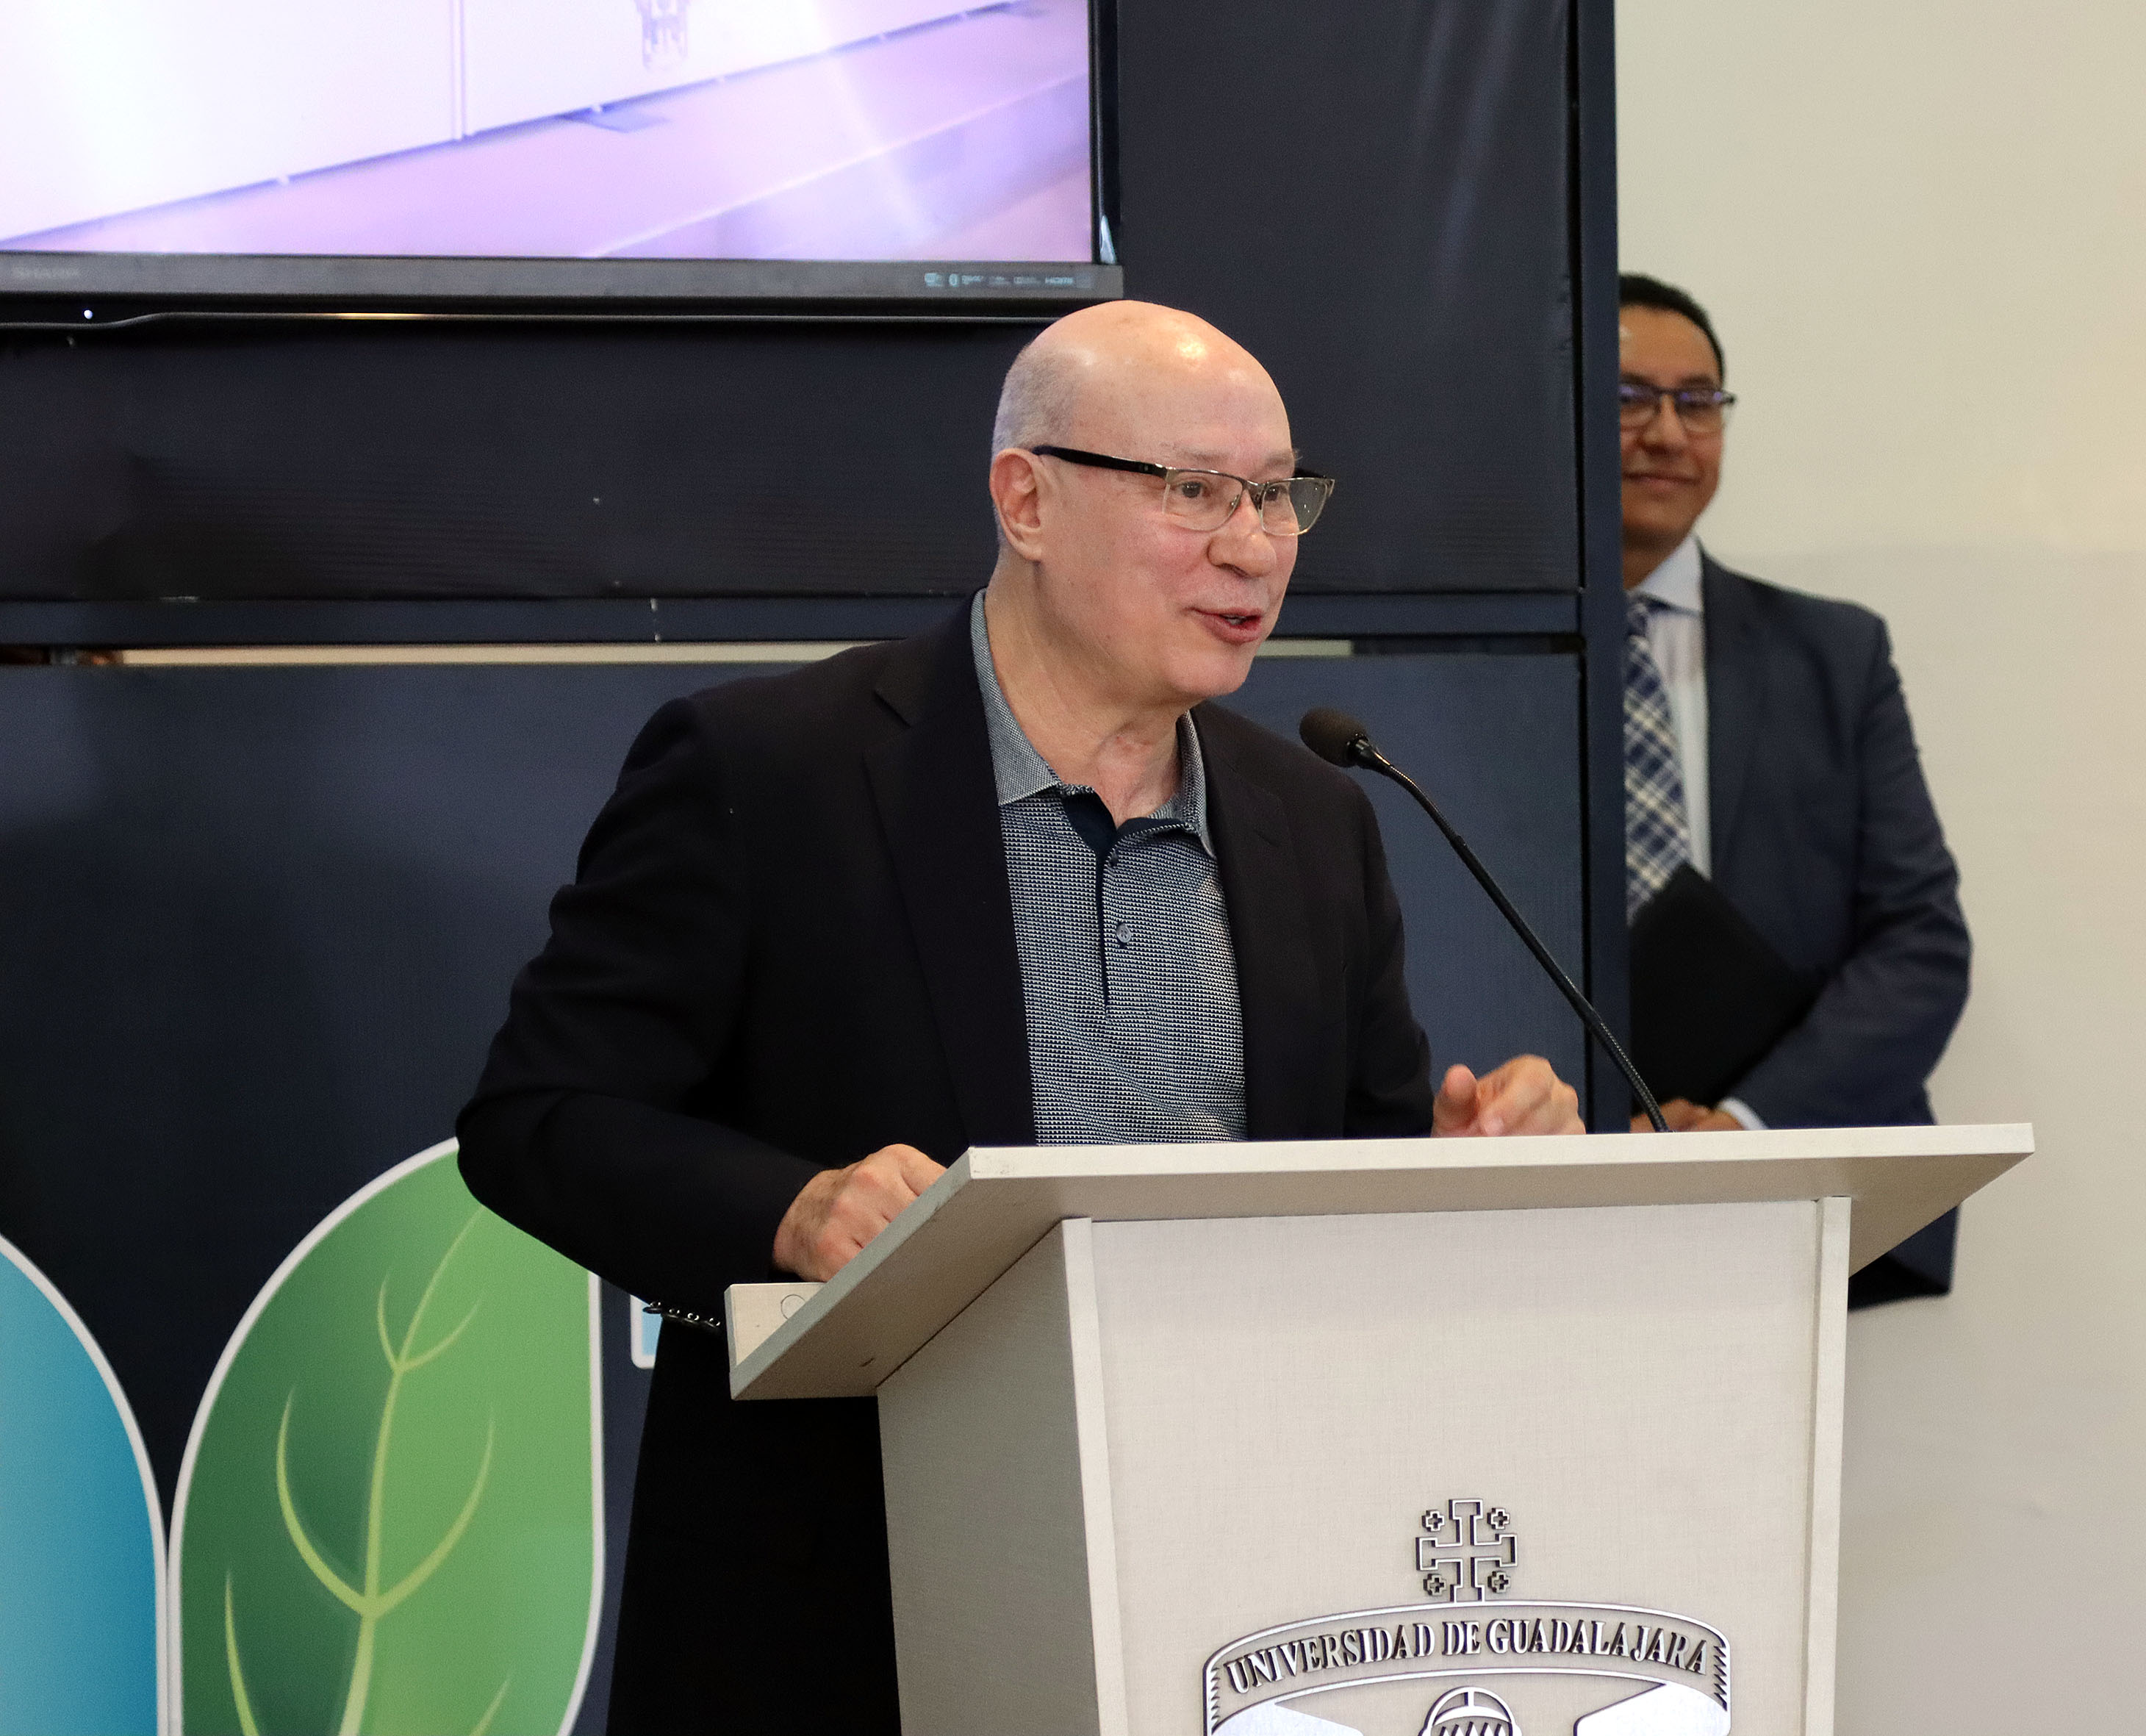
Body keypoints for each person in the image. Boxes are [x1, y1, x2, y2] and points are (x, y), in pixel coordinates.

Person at [456, 299, 1582, 1733]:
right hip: (852, 1600)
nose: (1254, 545)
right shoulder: (771, 769)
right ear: (1027, 499)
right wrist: (791, 1210)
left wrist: (1457, 1166)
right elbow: (538, 1118)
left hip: (1232, 1605)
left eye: (1276, 494)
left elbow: (1343, 1185)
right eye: (1194, 491)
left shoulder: (1312, 814)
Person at [1615, 272, 1971, 1303]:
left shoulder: (1835, 657)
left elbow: (1920, 943)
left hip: (1784, 1186)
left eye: (1698, 401)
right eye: (1629, 398)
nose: (1668, 433)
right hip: (1526, 1183)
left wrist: (1743, 1128)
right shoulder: (1465, 672)